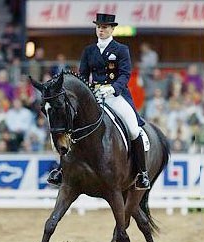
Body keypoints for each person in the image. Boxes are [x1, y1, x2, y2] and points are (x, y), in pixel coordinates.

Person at [48, 13, 150, 190]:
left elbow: (125, 74)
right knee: (73, 127)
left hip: (115, 95)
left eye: (104, 28)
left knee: (134, 129)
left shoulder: (121, 50)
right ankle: (61, 169)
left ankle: (142, 173)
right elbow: (82, 75)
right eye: (98, 27)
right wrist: (87, 91)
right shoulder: (89, 51)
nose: (101, 30)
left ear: (111, 29)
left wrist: (113, 88)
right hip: (94, 96)